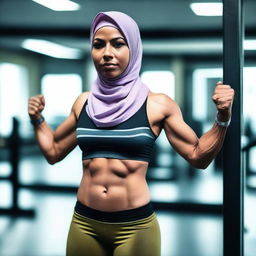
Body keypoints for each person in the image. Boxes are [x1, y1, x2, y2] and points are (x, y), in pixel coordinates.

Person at [28, 11, 234, 256]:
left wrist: (222, 117)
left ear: (133, 48)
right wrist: (37, 119)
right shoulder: (83, 103)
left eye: (118, 44)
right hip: (84, 223)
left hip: (134, 227)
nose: (107, 53)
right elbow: (53, 152)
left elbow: (198, 157)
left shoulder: (157, 105)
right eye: (98, 45)